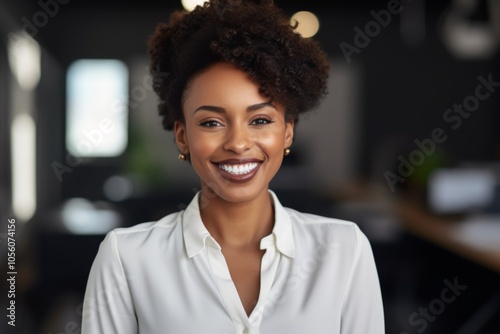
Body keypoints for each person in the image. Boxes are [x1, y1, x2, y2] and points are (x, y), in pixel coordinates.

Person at [81, 0, 385, 333]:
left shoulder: (344, 251)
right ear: (182, 136)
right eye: (211, 122)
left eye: (260, 120)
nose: (238, 143)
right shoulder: (125, 260)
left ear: (287, 131)